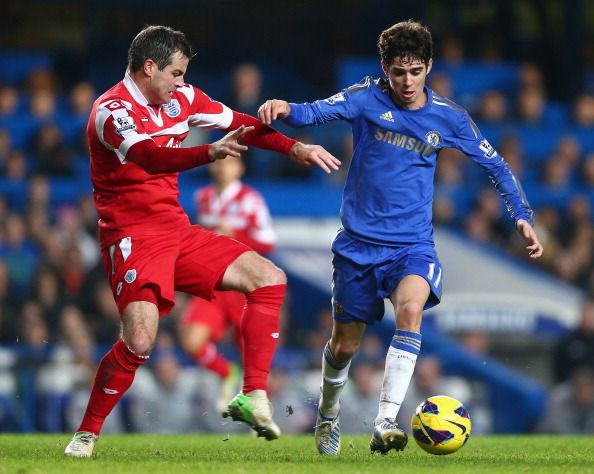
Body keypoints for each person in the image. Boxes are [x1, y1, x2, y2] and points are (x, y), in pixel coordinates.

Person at [259, 20, 543, 455]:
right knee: (344, 345)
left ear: (429, 66)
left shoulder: (449, 116)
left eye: (415, 71)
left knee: (411, 310)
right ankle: (328, 415)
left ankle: (385, 418)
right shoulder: (365, 98)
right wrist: (285, 108)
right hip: (357, 246)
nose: (407, 81)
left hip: (412, 245)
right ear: (384, 69)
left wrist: (520, 216)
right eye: (398, 72)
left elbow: (496, 166)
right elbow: (315, 111)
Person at [64, 25, 340, 457]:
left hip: (176, 228)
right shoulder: (110, 111)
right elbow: (148, 157)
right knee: (139, 342)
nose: (180, 82)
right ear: (149, 67)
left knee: (268, 278)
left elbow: (241, 125)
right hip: (131, 235)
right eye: (174, 73)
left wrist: (294, 149)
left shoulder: (183, 99)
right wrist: (205, 153)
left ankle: (252, 394)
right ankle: (87, 433)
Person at [178, 156, 277, 414]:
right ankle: (226, 372)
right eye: (219, 162)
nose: (222, 167)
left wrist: (236, 235)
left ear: (240, 168)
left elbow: (268, 241)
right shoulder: (203, 197)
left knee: (252, 358)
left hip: (243, 288)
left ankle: (258, 414)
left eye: (229, 162)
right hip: (212, 285)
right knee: (191, 342)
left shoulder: (250, 199)